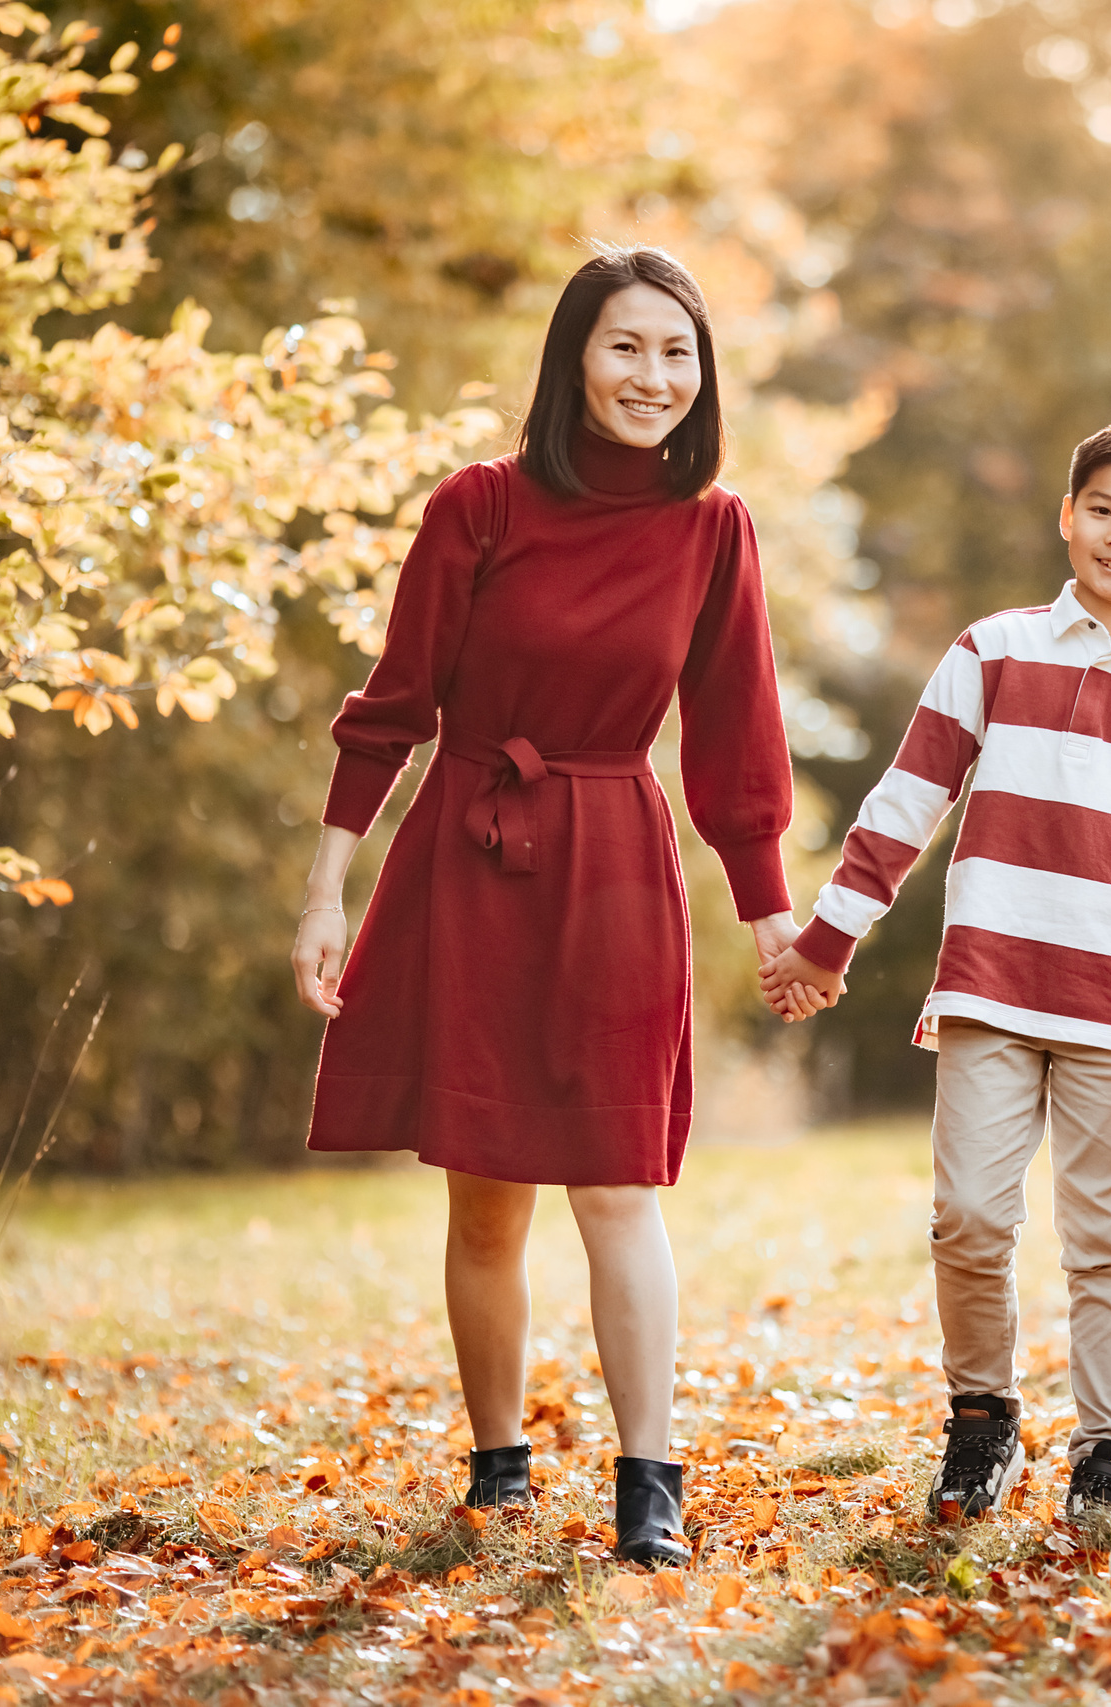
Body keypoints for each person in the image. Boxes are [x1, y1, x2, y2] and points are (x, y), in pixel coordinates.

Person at [289, 247, 805, 1567]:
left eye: (679, 353)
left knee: (617, 1183)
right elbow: (394, 704)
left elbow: (736, 734)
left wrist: (768, 915)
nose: (655, 377)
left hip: (618, 866)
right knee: (485, 1200)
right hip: (471, 857)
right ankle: (499, 1465)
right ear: (575, 357)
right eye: (627, 347)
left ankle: (651, 1483)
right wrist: (326, 887)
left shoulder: (714, 526)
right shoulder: (479, 506)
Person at [757, 418, 1111, 1523]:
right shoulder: (994, 650)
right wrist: (826, 943)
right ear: (1068, 516)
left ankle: (1107, 1447)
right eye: (1105, 511)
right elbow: (906, 802)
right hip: (988, 987)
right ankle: (983, 1421)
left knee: (1106, 1234)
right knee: (969, 1217)